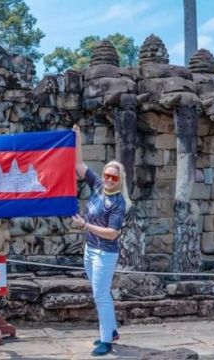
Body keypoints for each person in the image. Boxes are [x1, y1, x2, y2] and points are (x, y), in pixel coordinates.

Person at [71, 124, 131, 356]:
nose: (108, 179)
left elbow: (112, 233)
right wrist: (77, 138)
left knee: (100, 294)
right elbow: (79, 166)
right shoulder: (97, 187)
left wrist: (86, 226)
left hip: (105, 252)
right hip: (90, 249)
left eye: (113, 177)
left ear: (119, 179)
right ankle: (111, 331)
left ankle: (106, 339)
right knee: (100, 293)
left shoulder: (118, 203)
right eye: (106, 175)